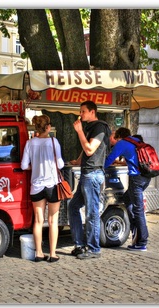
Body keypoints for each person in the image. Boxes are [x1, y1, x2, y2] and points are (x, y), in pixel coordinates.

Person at [69, 100, 111, 260]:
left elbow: (90, 149)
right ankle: (79, 244)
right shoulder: (91, 128)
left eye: (83, 111)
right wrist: (78, 161)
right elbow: (86, 151)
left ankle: (94, 249)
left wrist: (79, 131)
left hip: (93, 174)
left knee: (91, 212)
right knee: (73, 206)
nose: (80, 114)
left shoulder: (99, 127)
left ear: (92, 112)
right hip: (87, 173)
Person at [21, 114, 64, 262]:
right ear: (48, 127)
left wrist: (36, 166)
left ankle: (38, 253)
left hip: (36, 186)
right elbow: (60, 164)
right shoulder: (54, 141)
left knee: (38, 221)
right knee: (53, 220)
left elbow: (23, 166)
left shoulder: (30, 143)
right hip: (52, 184)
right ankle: (52, 253)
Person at [104, 127, 151, 251]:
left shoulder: (122, 143)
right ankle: (135, 228)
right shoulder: (137, 141)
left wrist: (99, 166)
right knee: (127, 199)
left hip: (136, 178)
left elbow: (109, 160)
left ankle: (142, 242)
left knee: (138, 209)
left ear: (119, 137)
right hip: (147, 176)